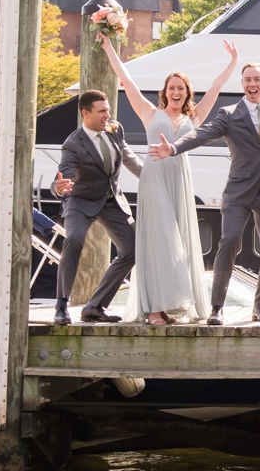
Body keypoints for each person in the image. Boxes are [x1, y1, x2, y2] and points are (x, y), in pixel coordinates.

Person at [152, 61, 260, 324]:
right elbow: (202, 133)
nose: (252, 84)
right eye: (247, 80)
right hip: (239, 191)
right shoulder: (229, 114)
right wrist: (175, 147)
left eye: (257, 79)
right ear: (242, 84)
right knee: (230, 240)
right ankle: (217, 308)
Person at [98, 34, 238, 324]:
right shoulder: (150, 113)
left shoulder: (195, 117)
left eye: (181, 88)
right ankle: (153, 309)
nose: (176, 92)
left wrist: (233, 62)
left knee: (181, 240)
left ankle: (170, 305)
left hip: (180, 180)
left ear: (187, 93)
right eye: (172, 88)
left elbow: (216, 87)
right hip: (155, 179)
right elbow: (126, 79)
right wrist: (110, 47)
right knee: (160, 240)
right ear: (165, 92)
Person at [50, 89, 142, 324]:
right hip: (80, 201)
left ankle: (94, 306)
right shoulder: (72, 144)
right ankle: (61, 306)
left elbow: (129, 157)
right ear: (85, 113)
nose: (106, 116)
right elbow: (64, 176)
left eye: (108, 111)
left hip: (111, 200)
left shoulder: (115, 128)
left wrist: (153, 176)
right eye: (101, 112)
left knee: (132, 250)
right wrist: (59, 187)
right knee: (75, 240)